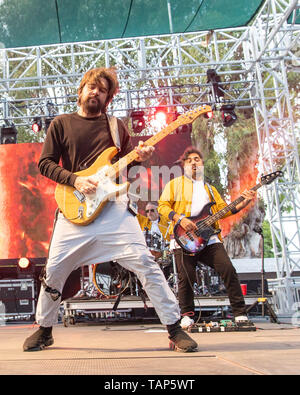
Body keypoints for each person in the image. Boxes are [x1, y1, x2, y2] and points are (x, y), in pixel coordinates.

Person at [23, 67, 197, 353]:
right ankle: (44, 330)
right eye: (91, 87)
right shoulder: (61, 124)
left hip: (114, 209)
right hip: (74, 207)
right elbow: (45, 164)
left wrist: (140, 159)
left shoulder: (117, 127)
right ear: (80, 91)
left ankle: (175, 329)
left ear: (108, 98)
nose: (96, 92)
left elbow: (128, 170)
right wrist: (76, 179)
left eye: (102, 90)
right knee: (53, 270)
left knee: (145, 263)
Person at [158, 146, 256, 329]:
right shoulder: (175, 185)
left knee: (228, 269)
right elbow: (162, 207)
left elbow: (224, 211)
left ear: (202, 164)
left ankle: (240, 314)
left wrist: (245, 201)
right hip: (184, 238)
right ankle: (186, 315)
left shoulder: (209, 189)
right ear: (184, 166)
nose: (194, 162)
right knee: (185, 278)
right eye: (190, 160)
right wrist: (181, 219)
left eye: (197, 159)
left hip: (209, 239)